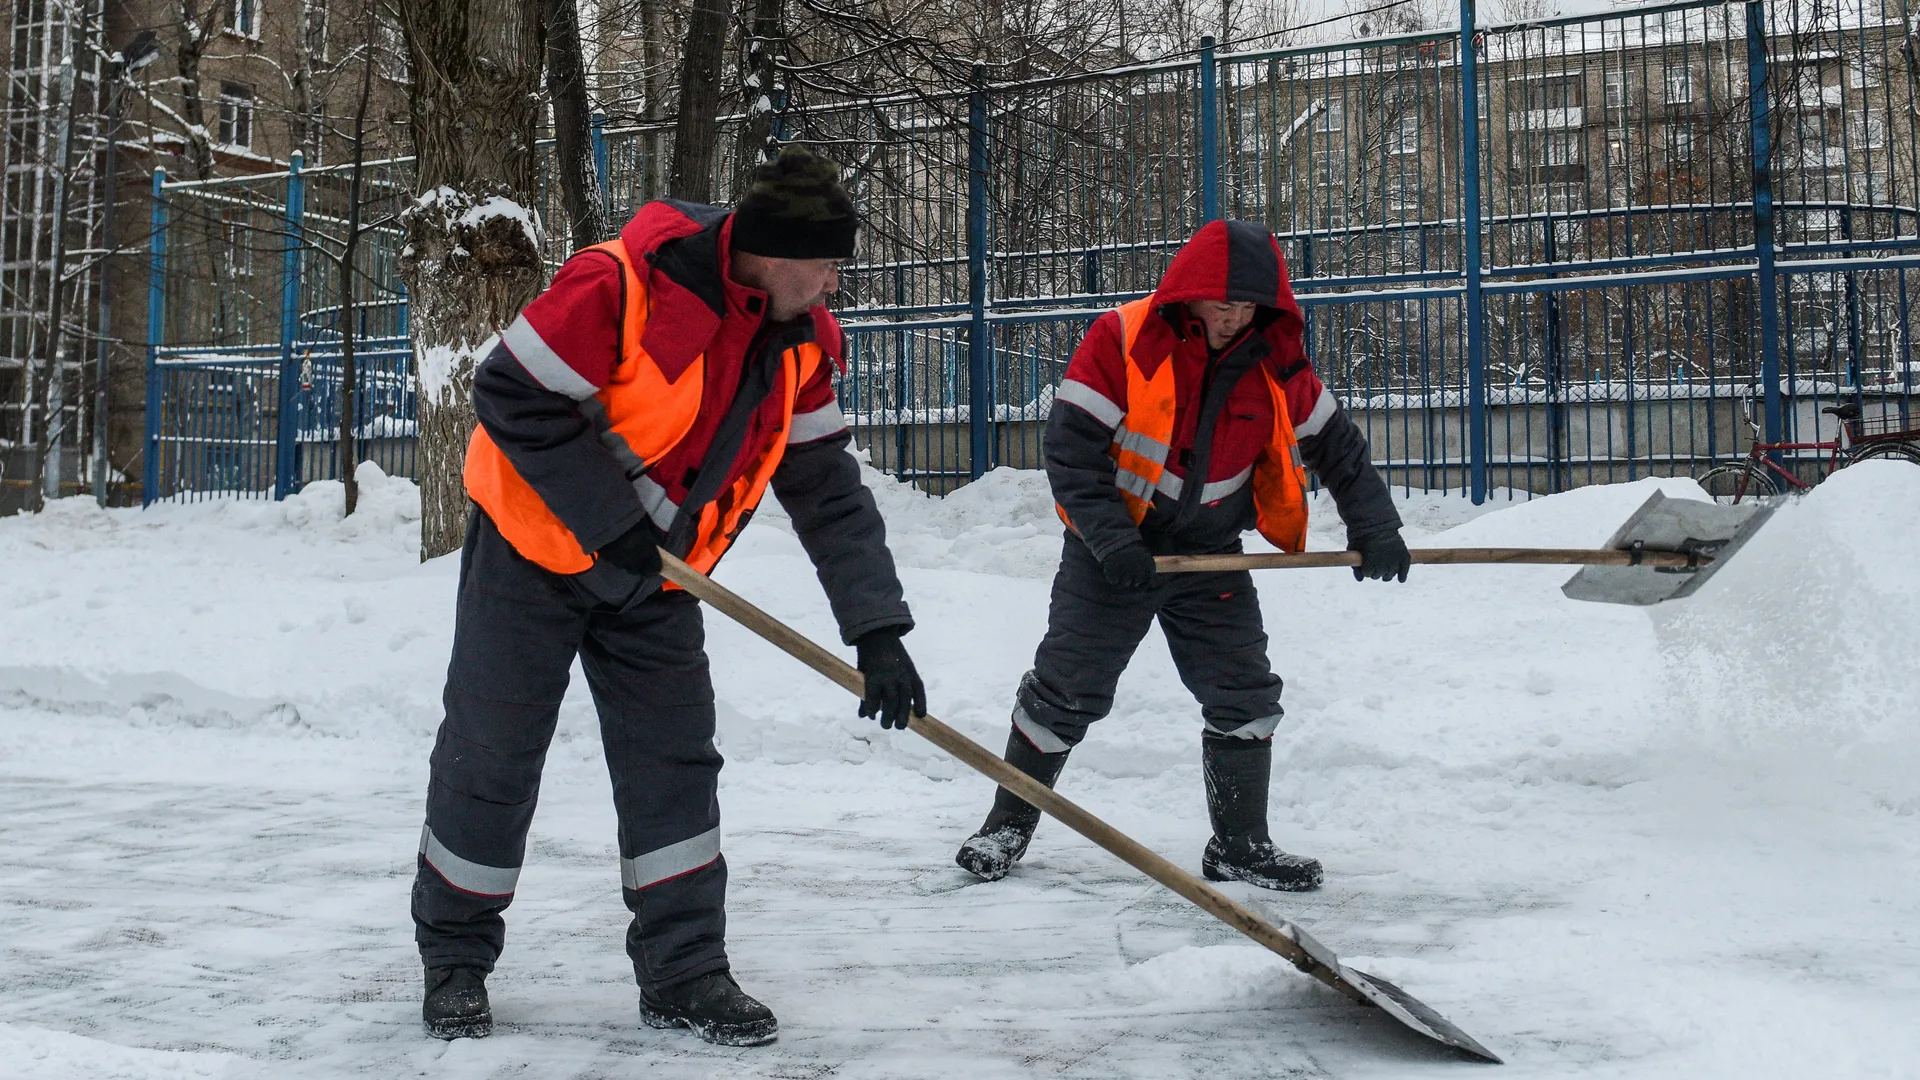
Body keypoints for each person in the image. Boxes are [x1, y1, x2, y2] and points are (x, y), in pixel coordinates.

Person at [412, 147, 926, 1047]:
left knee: (674, 766)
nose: (839, 279)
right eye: (831, 260)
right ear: (774, 251)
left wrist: (877, 628)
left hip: (656, 580)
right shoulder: (619, 287)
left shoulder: (802, 341)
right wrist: (608, 522)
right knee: (490, 756)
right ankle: (455, 959)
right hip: (532, 552)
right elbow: (509, 392)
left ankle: (685, 973)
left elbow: (828, 489)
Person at [955, 218, 1408, 892]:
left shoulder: (1276, 359)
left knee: (1245, 694)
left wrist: (1377, 527)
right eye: (1221, 305)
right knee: (1065, 691)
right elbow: (1071, 452)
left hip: (1210, 553)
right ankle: (1006, 825)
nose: (1232, 320)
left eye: (1247, 308)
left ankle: (1239, 845)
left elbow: (1336, 448)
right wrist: (1113, 541)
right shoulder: (1124, 339)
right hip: (1114, 550)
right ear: (1189, 294)